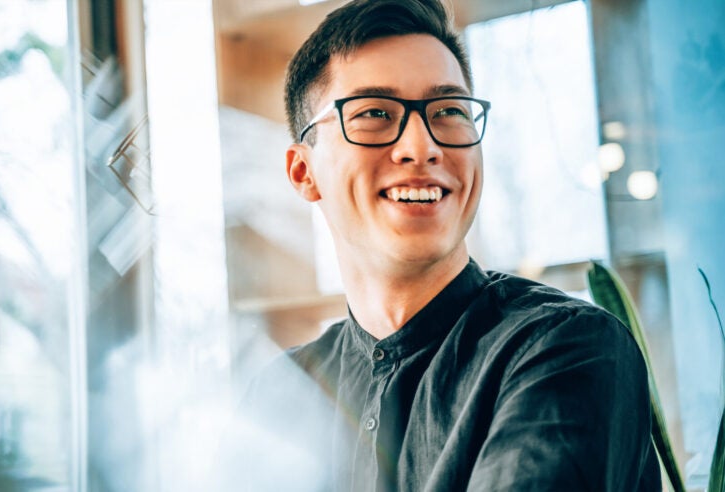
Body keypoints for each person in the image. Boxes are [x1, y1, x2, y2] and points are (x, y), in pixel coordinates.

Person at [239, 0, 661, 490]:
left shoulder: (566, 347)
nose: (422, 147)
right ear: (303, 171)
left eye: (448, 111)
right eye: (374, 113)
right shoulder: (280, 392)